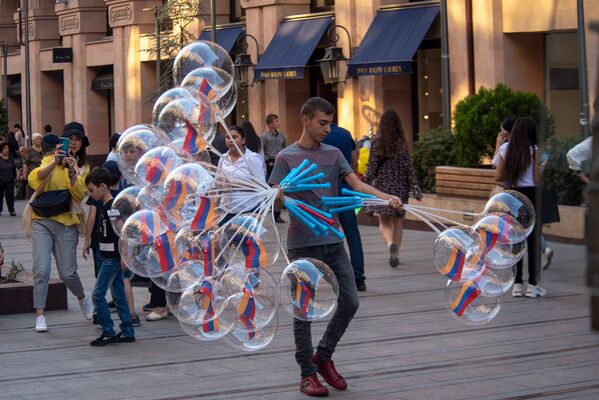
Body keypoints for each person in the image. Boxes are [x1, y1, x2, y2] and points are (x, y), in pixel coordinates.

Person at [269, 97, 402, 396]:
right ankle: (307, 373)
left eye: (330, 123)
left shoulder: (333, 154)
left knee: (351, 301)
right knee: (304, 311)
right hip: (302, 245)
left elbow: (357, 185)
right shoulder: (286, 158)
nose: (328, 129)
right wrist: (277, 197)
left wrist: (385, 198)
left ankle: (323, 357)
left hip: (332, 240)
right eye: (322, 123)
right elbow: (274, 197)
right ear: (305, 119)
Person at [27, 123, 94, 332]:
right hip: (42, 220)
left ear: (82, 144)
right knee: (42, 269)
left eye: (77, 139)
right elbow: (33, 180)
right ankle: (40, 314)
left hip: (66, 223)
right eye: (70, 138)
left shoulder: (84, 167)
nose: (73, 142)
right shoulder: (49, 158)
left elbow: (80, 195)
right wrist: (55, 162)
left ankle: (83, 298)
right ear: (62, 141)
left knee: (67, 273)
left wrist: (73, 172)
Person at [83, 160, 140, 327]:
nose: (90, 194)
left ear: (103, 187)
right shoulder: (104, 204)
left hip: (112, 258)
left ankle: (107, 329)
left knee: (97, 294)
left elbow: (123, 231)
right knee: (119, 295)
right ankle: (127, 330)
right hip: (109, 255)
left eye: (91, 190)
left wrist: (124, 254)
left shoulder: (111, 207)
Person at [363, 109, 422, 268]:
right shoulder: (402, 142)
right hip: (400, 187)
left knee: (384, 221)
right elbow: (409, 168)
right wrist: (415, 186)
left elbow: (372, 168)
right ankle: (397, 251)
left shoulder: (376, 142)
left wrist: (364, 184)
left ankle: (390, 244)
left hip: (382, 187)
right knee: (397, 220)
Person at [495, 117, 545, 298]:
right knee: (532, 242)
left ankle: (516, 285)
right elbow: (537, 180)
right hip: (531, 195)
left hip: (512, 195)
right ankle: (533, 285)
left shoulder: (505, 148)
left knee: (515, 240)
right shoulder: (534, 150)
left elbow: (498, 176)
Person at [323, 124, 366, 291]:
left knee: (328, 233)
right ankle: (359, 277)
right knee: (352, 233)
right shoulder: (346, 134)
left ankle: (332, 276)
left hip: (327, 191)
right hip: (346, 187)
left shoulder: (320, 136)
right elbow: (354, 160)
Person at [217, 125, 266, 225]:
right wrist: (221, 184)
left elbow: (261, 185)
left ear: (243, 140)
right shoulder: (223, 158)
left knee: (244, 240)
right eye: (228, 137)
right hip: (226, 211)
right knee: (225, 240)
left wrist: (233, 184)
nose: (230, 140)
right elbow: (217, 180)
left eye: (234, 137)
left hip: (248, 210)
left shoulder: (252, 158)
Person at [262, 113, 287, 223]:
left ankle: (279, 209)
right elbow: (261, 151)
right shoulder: (264, 137)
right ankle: (274, 212)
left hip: (280, 163)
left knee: (282, 186)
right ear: (270, 124)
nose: (279, 123)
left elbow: (285, 149)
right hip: (270, 163)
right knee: (272, 187)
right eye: (276, 121)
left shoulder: (281, 136)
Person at [23, 133, 45, 198]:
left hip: (43, 174)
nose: (39, 141)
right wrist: (24, 174)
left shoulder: (44, 149)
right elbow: (25, 163)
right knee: (33, 195)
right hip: (33, 174)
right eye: (38, 139)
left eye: (40, 139)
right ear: (33, 140)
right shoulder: (29, 150)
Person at [0, 141, 17, 216]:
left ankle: (11, 210)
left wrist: (16, 175)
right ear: (1, 149)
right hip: (0, 179)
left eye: (7, 148)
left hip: (10, 178)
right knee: (0, 195)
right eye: (5, 148)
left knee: (10, 195)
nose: (7, 150)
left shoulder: (10, 156)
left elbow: (13, 165)